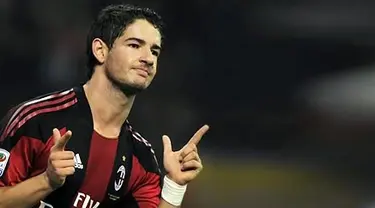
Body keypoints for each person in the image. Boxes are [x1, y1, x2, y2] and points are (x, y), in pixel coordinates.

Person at [0, 4, 209, 208]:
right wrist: (46, 181)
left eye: (155, 51)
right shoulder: (35, 120)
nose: (148, 59)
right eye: (135, 45)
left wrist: (175, 185)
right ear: (100, 50)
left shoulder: (141, 158)